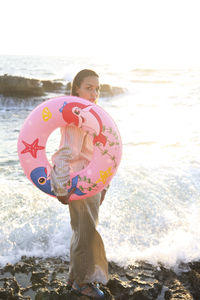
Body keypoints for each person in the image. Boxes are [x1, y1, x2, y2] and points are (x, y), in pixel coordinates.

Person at [50, 69, 109, 299]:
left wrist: (104, 186)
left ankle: (75, 276)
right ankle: (82, 284)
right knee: (86, 233)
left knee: (82, 231)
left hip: (92, 183)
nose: (94, 93)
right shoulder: (76, 118)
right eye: (89, 87)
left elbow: (104, 155)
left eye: (97, 88)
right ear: (76, 89)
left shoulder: (93, 117)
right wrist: (62, 188)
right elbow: (64, 155)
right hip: (79, 183)